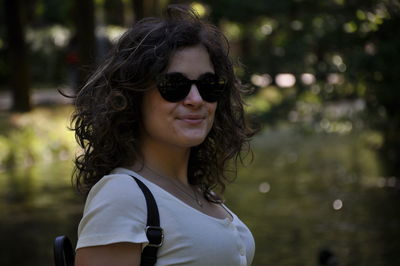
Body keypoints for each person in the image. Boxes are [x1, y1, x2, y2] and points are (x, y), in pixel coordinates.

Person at [72, 4, 256, 266]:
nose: (196, 99)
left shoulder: (198, 191)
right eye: (174, 85)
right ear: (132, 97)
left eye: (208, 85)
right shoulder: (122, 196)